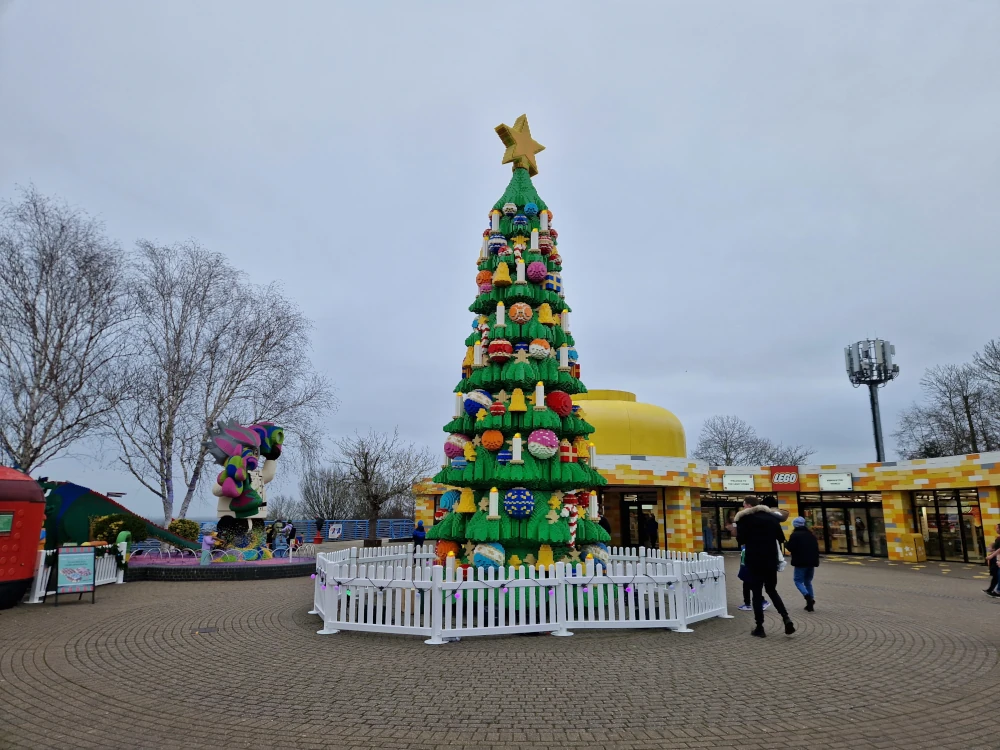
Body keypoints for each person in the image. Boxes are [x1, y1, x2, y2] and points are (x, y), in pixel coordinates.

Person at [735, 497, 795, 638]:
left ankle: (760, 627)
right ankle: (786, 618)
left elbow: (741, 540)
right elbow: (780, 538)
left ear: (748, 506)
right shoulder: (772, 518)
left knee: (756, 593)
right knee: (772, 590)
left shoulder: (745, 520)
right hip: (770, 560)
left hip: (754, 560)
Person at [785, 517, 820, 611]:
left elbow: (791, 548)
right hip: (811, 562)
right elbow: (816, 548)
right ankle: (810, 601)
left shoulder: (795, 535)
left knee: (798, 581)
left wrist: (786, 544)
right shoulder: (811, 534)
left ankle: (807, 596)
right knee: (808, 581)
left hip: (800, 562)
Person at [985, 523, 1000, 597]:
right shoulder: (998, 538)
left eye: (997, 528)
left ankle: (996, 591)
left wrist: (992, 556)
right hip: (997, 559)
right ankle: (993, 589)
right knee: (996, 575)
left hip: (998, 560)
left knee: (997, 575)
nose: (996, 529)